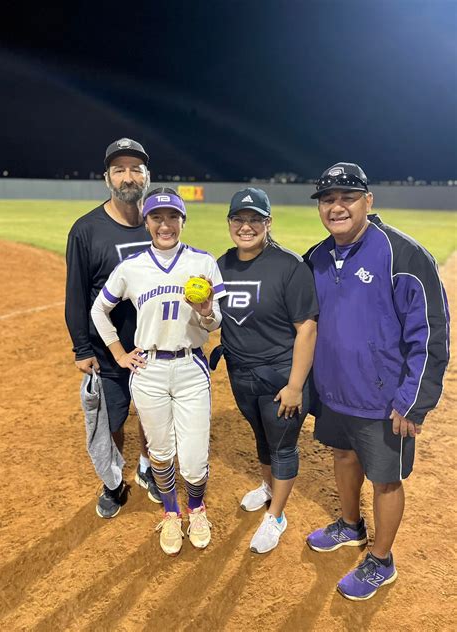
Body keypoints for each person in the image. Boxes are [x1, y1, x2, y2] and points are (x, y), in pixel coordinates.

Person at [304, 162, 450, 601]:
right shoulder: (316, 256)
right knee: (342, 456)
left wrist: (414, 400)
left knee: (385, 480)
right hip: (334, 392)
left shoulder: (403, 254)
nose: (336, 207)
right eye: (327, 199)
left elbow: (431, 332)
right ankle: (351, 525)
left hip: (384, 401)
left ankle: (381, 560)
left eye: (347, 197)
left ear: (368, 200)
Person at [90, 187, 227, 556]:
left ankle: (196, 508)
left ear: (182, 221)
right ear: (147, 222)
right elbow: (99, 310)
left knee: (194, 461)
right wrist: (118, 353)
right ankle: (171, 512)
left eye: (172, 217)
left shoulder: (202, 262)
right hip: (148, 369)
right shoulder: (131, 267)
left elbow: (215, 322)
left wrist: (205, 312)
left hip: (190, 366)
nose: (165, 225)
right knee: (161, 452)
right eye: (156, 217)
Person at [214, 188, 318, 553]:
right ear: (229, 222)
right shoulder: (221, 265)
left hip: (280, 376)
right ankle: (268, 487)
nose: (246, 226)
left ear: (268, 223)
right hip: (240, 373)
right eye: (239, 219)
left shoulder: (290, 266)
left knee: (283, 446)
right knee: (260, 436)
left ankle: (276, 516)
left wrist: (295, 385)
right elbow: (217, 318)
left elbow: (307, 328)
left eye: (255, 219)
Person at [65, 137, 161, 519]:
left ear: (147, 176)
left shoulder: (158, 226)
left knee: (152, 416)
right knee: (112, 421)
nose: (128, 176)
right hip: (109, 351)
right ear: (107, 178)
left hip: (153, 346)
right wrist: (82, 348)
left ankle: (146, 466)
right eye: (119, 169)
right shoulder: (86, 230)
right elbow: (76, 295)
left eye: (136, 168)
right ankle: (113, 480)